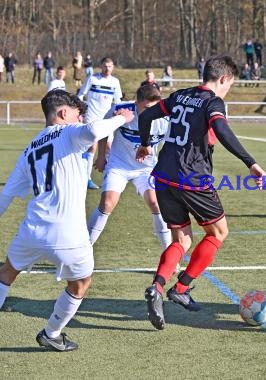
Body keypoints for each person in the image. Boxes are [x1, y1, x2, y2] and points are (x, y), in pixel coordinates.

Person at [137, 55, 266, 330]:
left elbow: (147, 115)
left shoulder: (180, 95)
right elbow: (221, 129)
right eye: (230, 83)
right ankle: (181, 288)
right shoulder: (213, 102)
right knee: (218, 233)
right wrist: (250, 162)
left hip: (163, 177)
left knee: (181, 241)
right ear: (224, 79)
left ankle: (158, 287)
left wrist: (146, 144)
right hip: (192, 179)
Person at [0, 89, 134, 351]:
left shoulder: (29, 149)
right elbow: (95, 131)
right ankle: (52, 332)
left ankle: (52, 333)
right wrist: (123, 118)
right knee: (82, 282)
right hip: (69, 236)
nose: (80, 118)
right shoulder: (69, 132)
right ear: (63, 113)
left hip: (31, 232)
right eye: (76, 114)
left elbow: (5, 197)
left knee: (5, 274)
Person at [88, 85, 171, 250]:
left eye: (155, 108)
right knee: (107, 204)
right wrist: (101, 157)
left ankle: (169, 256)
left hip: (146, 169)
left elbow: (170, 146)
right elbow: (104, 132)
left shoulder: (166, 119)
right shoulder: (120, 111)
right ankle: (82, 250)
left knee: (156, 203)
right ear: (136, 103)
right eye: (147, 108)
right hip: (119, 165)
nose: (153, 112)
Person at [77, 57, 123, 190]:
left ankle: (109, 179)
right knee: (92, 147)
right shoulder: (92, 79)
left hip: (107, 119)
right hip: (92, 117)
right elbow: (81, 95)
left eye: (109, 66)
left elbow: (118, 101)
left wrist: (118, 116)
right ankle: (86, 179)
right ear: (100, 66)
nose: (107, 68)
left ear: (113, 67)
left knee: (109, 149)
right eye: (105, 66)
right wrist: (80, 113)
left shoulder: (115, 82)